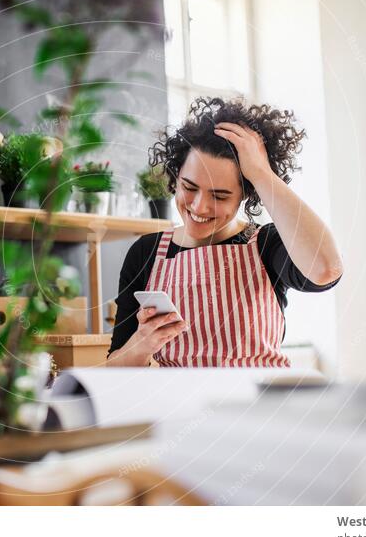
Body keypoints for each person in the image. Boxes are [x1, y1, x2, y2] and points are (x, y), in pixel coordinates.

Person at [106, 97, 343, 368]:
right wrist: (142, 343)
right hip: (178, 407)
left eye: (219, 196)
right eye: (189, 187)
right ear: (175, 176)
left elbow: (327, 268)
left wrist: (262, 173)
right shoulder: (146, 252)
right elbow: (114, 368)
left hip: (258, 406)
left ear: (246, 194)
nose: (199, 206)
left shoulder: (265, 245)